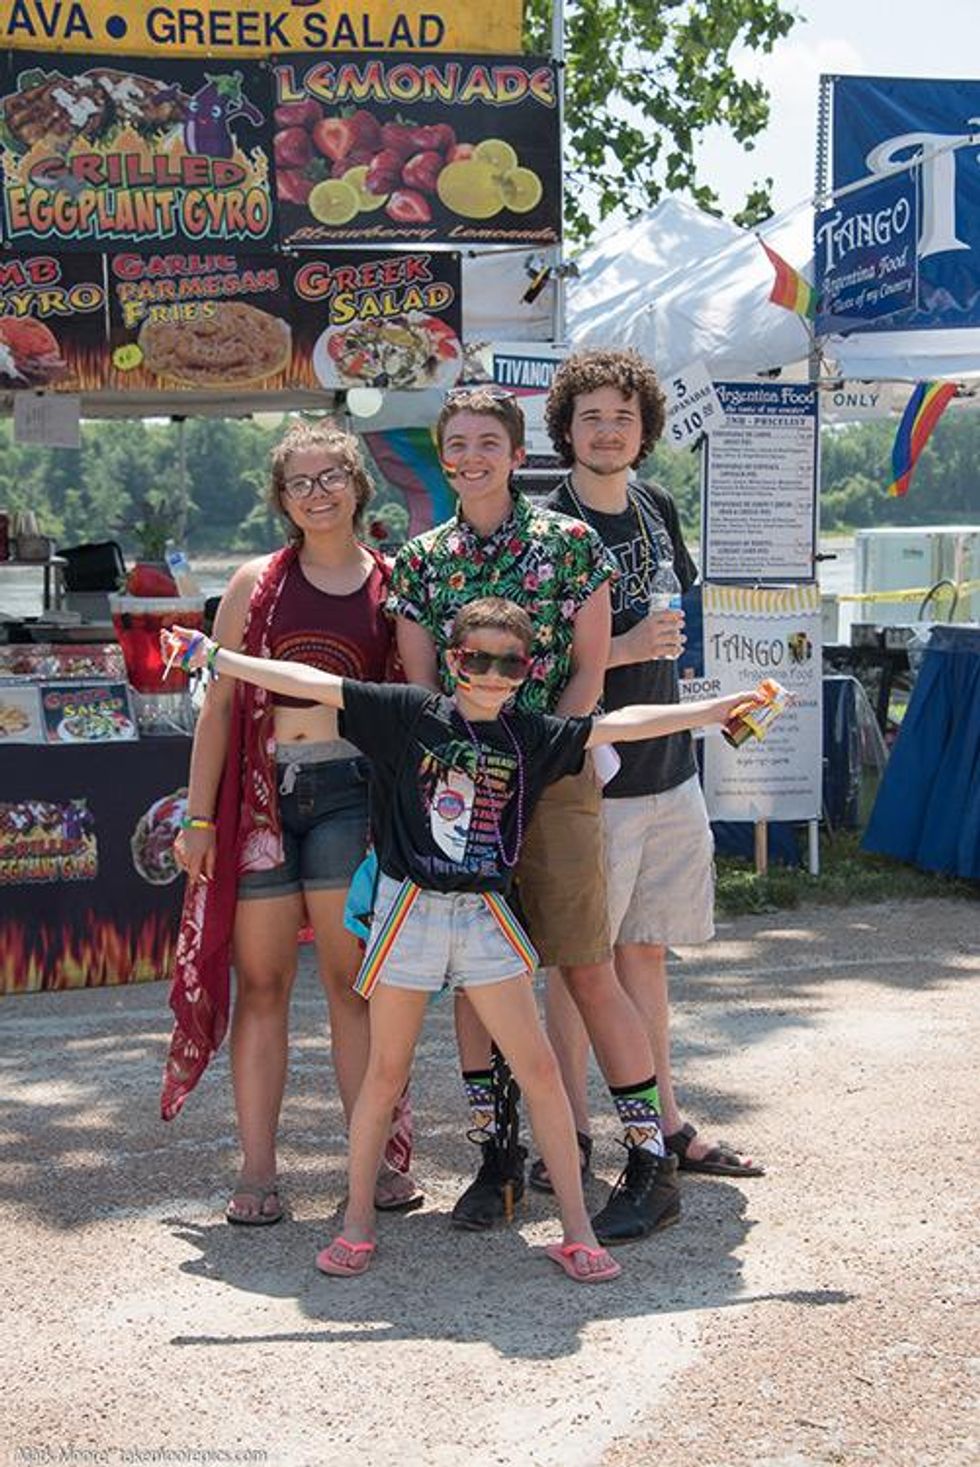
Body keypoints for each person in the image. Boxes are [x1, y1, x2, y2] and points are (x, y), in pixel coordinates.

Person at [162, 597, 760, 1280]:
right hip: (410, 913)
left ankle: (576, 1231)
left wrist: (713, 712)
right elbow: (309, 681)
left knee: (538, 1071)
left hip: (484, 917)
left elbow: (617, 724)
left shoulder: (530, 733)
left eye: (510, 664)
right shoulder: (409, 714)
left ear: (527, 671)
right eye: (477, 659)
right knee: (385, 1072)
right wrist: (216, 657)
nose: (491, 675)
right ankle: (356, 1223)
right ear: (452, 661)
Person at [388, 386, 698, 1245]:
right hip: (462, 794)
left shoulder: (571, 544)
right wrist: (469, 773)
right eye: (458, 443)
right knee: (475, 978)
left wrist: (538, 757)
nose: (473, 457)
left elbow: (590, 672)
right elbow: (421, 684)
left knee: (586, 966)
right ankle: (498, 1157)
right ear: (443, 456)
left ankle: (651, 1162)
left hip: (555, 781)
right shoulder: (419, 561)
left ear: (518, 454)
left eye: (489, 442)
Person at [161, 419, 419, 1224]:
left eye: (331, 476)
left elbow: (416, 701)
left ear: (358, 485)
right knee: (263, 983)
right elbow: (219, 706)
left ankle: (372, 1163)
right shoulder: (253, 583)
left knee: (351, 985)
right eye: (299, 482)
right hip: (260, 798)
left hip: (350, 793)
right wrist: (198, 816)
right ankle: (258, 1170)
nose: (317, 493)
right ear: (282, 497)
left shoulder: (392, 584)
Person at [537, 346, 764, 1182]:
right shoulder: (547, 529)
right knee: (577, 965)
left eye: (623, 417)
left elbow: (672, 617)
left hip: (669, 768)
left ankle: (667, 1122)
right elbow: (523, 664)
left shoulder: (656, 504)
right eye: (591, 417)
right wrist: (625, 647)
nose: (607, 431)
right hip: (590, 781)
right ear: (565, 429)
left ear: (645, 430)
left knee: (645, 953)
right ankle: (572, 1134)